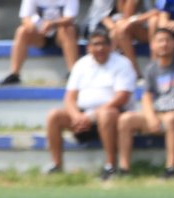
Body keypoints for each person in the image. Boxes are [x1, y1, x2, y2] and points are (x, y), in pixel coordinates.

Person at [117, 27, 174, 178]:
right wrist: (151, 118)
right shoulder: (151, 68)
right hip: (160, 114)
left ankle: (171, 169)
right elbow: (146, 97)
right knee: (125, 119)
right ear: (152, 45)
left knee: (171, 118)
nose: (164, 44)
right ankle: (123, 169)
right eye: (159, 41)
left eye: (167, 40)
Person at [44, 27, 136, 179]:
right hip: (83, 115)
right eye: (95, 44)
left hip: (113, 114)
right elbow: (70, 97)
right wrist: (76, 116)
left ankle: (110, 165)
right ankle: (57, 165)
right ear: (88, 47)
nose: (99, 48)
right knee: (54, 115)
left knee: (107, 114)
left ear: (111, 46)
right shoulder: (81, 64)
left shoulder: (123, 63)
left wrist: (91, 116)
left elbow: (122, 98)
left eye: (103, 44)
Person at [1, 0, 81, 86]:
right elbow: (25, 16)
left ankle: (73, 72)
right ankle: (15, 73)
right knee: (22, 31)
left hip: (62, 35)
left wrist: (52, 24)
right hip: (40, 35)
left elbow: (70, 18)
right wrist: (31, 26)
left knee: (67, 29)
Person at [111, 0, 161, 75]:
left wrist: (135, 20)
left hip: (161, 27)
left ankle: (155, 68)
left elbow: (160, 10)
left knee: (154, 21)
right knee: (119, 28)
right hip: (143, 28)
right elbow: (126, 15)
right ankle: (134, 71)